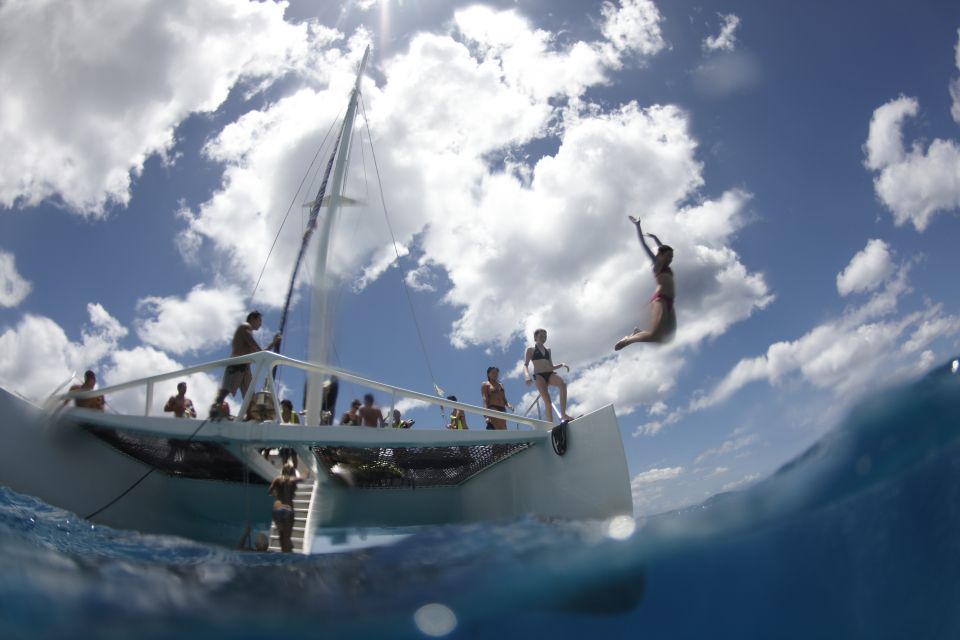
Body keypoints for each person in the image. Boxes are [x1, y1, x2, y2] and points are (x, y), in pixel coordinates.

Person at [615, 216, 677, 350]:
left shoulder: (665, 264)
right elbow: (644, 244)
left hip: (670, 301)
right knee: (655, 336)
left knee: (664, 338)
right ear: (660, 255)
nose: (671, 259)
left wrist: (655, 237)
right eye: (668, 256)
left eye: (672, 257)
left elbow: (662, 246)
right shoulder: (658, 264)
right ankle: (629, 339)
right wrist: (638, 226)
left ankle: (637, 333)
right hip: (660, 300)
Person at [213, 311, 281, 412]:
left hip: (244, 367)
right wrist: (273, 343)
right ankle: (215, 409)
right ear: (253, 318)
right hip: (237, 364)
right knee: (226, 390)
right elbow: (258, 350)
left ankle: (250, 416)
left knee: (250, 396)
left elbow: (260, 353)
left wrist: (273, 343)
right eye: (259, 321)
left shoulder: (247, 330)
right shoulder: (245, 327)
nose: (260, 324)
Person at [523, 329, 573, 423]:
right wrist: (526, 376)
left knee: (563, 384)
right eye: (541, 336)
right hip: (539, 376)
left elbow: (551, 366)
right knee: (548, 402)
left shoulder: (548, 350)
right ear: (535, 338)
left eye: (545, 336)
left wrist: (561, 364)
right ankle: (550, 424)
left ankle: (563, 414)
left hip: (549, 374)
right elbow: (525, 364)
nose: (543, 338)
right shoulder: (531, 350)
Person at [267, 463, 302, 553]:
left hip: (278, 510)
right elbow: (292, 494)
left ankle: (284, 550)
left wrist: (277, 496)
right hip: (288, 509)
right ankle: (288, 552)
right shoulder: (292, 481)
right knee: (287, 534)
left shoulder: (277, 479)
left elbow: (269, 492)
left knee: (281, 534)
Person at [279, 399, 300, 470]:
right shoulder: (280, 415)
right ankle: (285, 471)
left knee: (294, 456)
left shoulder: (294, 415)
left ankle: (294, 470)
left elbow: (298, 427)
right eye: (282, 406)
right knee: (284, 458)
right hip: (283, 439)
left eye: (284, 406)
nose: (282, 408)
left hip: (293, 439)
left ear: (288, 407)